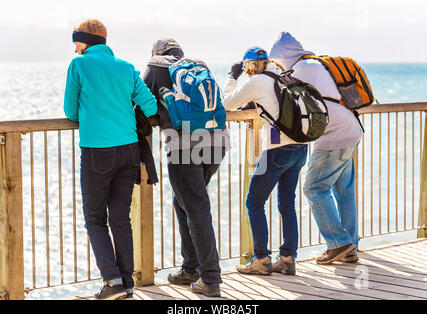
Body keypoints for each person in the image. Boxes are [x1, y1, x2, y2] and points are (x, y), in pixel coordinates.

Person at [63, 19, 157, 299]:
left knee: (94, 218)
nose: (74, 45)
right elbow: (150, 104)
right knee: (120, 218)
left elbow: (70, 111)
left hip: (97, 152)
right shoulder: (126, 67)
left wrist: (92, 113)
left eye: (76, 40)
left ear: (86, 41)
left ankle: (112, 281)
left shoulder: (78, 65)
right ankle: (127, 283)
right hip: (129, 149)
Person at [141, 38, 231, 297]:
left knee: (196, 207)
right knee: (184, 203)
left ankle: (210, 279)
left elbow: (137, 100)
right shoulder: (195, 68)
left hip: (184, 146)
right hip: (218, 142)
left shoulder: (155, 67)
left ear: (157, 52)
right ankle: (190, 268)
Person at [270, 32, 362, 264]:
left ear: (284, 56)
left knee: (314, 188)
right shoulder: (317, 63)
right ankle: (350, 244)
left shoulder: (300, 70)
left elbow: (280, 101)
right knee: (344, 191)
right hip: (351, 128)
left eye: (278, 60)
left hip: (334, 137)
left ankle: (338, 243)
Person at [223, 47, 308, 276]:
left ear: (248, 65)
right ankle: (288, 258)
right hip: (300, 148)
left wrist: (232, 76)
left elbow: (227, 103)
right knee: (287, 204)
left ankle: (261, 259)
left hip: (277, 151)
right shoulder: (285, 76)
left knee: (254, 202)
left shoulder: (258, 81)